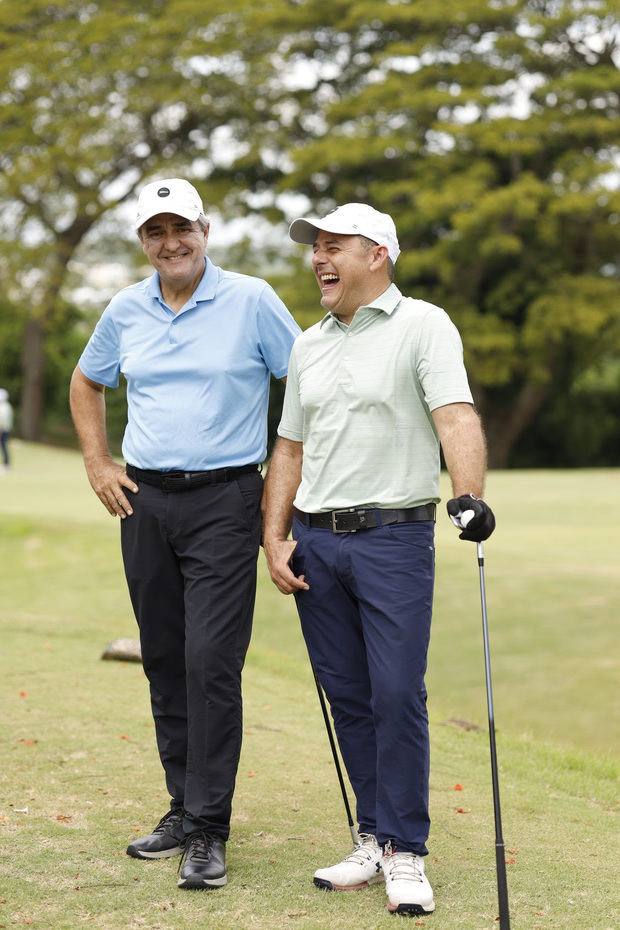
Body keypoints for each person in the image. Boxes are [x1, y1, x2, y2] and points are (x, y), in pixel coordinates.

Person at [262, 203, 495, 917]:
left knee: (396, 694)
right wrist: (273, 536)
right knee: (350, 698)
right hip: (317, 541)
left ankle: (405, 851)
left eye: (334, 247)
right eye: (314, 248)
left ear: (378, 256)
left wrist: (468, 496)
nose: (319, 259)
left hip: (393, 538)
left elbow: (454, 413)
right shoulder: (308, 345)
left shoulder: (424, 324)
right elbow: (290, 449)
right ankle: (372, 837)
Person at [70, 178, 300, 891]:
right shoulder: (126, 307)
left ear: (205, 229)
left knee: (209, 662)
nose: (171, 243)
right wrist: (98, 462)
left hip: (226, 500)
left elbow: (309, 383)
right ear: (143, 241)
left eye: (182, 229)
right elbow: (87, 382)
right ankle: (181, 807)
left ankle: (209, 829)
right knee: (165, 659)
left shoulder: (253, 300)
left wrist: (285, 498)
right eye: (155, 232)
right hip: (145, 502)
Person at [0, 388, 14, 472]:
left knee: (3, 446)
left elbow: (2, 420)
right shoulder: (7, 406)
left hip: (3, 430)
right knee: (3, 446)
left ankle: (6, 464)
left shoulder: (4, 407)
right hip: (5, 429)